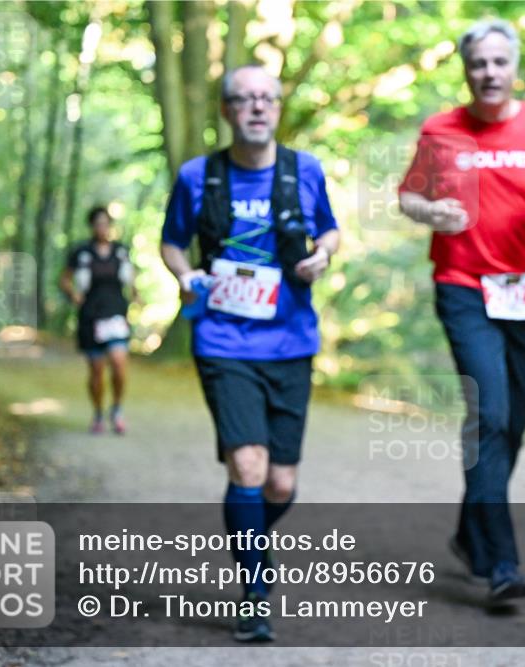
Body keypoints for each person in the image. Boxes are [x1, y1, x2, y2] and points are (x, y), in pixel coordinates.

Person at [398, 19, 525, 603]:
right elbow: (408, 195)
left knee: (513, 423)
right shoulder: (441, 130)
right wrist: (432, 213)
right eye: (478, 63)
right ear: (466, 70)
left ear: (514, 68)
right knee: (490, 414)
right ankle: (502, 563)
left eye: (498, 62)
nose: (489, 72)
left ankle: (468, 532)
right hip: (463, 287)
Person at [160, 65, 339, 642]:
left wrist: (323, 256)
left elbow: (330, 231)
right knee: (248, 467)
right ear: (226, 110)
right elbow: (172, 242)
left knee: (279, 484)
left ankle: (250, 533)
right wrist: (185, 276)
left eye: (268, 98)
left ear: (278, 108)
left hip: (291, 341)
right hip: (223, 340)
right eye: (244, 99)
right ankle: (255, 592)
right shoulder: (198, 176)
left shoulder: (304, 170)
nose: (258, 107)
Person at [59, 206, 136, 435]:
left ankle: (117, 409)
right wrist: (73, 294)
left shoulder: (120, 251)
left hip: (116, 315)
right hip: (91, 317)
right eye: (98, 223)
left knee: (119, 364)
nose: (102, 227)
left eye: (105, 223)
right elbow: (65, 279)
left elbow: (131, 278)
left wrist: (136, 294)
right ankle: (98, 413)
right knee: (96, 370)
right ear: (92, 226)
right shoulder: (81, 252)